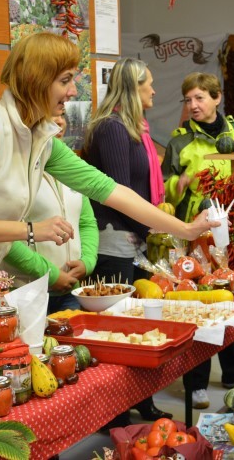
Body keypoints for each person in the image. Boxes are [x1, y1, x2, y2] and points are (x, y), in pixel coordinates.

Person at [0, 32, 216, 322]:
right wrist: (32, 230)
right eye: (65, 80)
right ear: (37, 79)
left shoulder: (40, 138)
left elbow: (110, 190)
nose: (73, 91)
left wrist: (185, 229)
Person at [82, 57, 172, 423]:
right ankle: (115, 413)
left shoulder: (136, 129)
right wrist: (157, 228)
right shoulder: (111, 128)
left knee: (140, 325)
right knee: (117, 330)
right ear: (134, 87)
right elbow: (119, 193)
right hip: (114, 239)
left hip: (135, 236)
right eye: (149, 83)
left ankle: (141, 400)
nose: (154, 90)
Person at [162, 72, 234, 409]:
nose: (193, 105)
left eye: (199, 98)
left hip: (230, 233)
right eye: (188, 100)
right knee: (199, 305)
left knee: (228, 300)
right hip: (194, 235)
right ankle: (196, 382)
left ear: (217, 98)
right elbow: (165, 187)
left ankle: (233, 371)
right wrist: (178, 184)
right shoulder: (180, 141)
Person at [0, 112, 98, 314]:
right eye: (51, 115)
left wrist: (87, 262)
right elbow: (2, 237)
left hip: (71, 290)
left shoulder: (73, 167)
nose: (60, 121)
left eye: (62, 115)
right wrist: (51, 274)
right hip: (25, 291)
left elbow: (86, 222)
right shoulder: (13, 170)